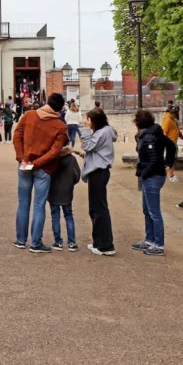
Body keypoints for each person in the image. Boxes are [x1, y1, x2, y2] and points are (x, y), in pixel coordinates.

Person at [13, 92, 70, 253]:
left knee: (23, 202)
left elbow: (17, 136)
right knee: (39, 205)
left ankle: (21, 239)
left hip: (25, 164)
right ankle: (35, 242)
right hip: (43, 168)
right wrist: (37, 163)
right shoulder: (59, 126)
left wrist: (22, 158)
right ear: (60, 108)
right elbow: (55, 151)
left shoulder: (29, 115)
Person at [133, 109, 176, 256]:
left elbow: (154, 159)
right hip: (152, 174)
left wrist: (144, 173)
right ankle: (150, 240)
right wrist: (169, 162)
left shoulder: (150, 136)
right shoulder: (152, 133)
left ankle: (158, 244)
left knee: (154, 212)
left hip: (152, 175)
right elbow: (171, 146)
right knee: (147, 210)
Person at [76, 108, 117, 257]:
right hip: (98, 171)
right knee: (95, 208)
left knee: (99, 209)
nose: (85, 122)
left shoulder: (102, 132)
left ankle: (105, 245)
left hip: (98, 172)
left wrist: (86, 131)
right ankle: (98, 242)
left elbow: (87, 146)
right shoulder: (105, 131)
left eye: (87, 119)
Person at [48, 144, 81, 251]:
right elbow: (77, 175)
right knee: (68, 215)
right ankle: (72, 242)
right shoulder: (71, 158)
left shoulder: (52, 158)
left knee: (55, 216)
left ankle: (58, 242)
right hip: (67, 190)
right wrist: (70, 184)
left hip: (53, 190)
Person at [161, 104, 183, 183]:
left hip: (172, 143)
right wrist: (167, 143)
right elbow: (163, 133)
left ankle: (167, 174)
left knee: (172, 159)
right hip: (169, 143)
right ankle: (171, 176)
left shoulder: (172, 120)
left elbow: (177, 132)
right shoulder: (168, 120)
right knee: (170, 160)